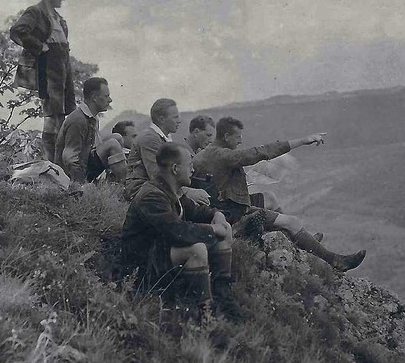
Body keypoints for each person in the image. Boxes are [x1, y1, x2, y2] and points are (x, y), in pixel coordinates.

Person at [193, 116, 366, 272]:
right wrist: (303, 141)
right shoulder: (224, 155)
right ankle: (334, 260)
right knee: (292, 221)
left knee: (269, 198)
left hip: (220, 207)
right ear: (226, 137)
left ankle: (296, 237)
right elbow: (261, 152)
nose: (240, 141)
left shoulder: (206, 154)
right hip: (232, 213)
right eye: (238, 137)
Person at [122, 143, 241, 321]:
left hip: (159, 254)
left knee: (225, 229)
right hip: (141, 264)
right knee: (196, 250)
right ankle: (204, 314)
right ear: (175, 168)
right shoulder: (152, 195)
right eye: (189, 164)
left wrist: (217, 215)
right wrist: (212, 229)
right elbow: (177, 231)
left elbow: (194, 211)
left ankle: (222, 294)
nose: (193, 169)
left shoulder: (169, 190)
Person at [11, 0, 75, 162]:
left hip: (64, 63)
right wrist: (40, 47)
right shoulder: (35, 12)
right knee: (52, 114)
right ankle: (51, 163)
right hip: (49, 64)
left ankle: (60, 164)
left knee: (65, 112)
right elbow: (17, 30)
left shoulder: (58, 18)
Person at [124, 98, 210, 204]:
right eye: (175, 117)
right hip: (139, 189)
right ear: (162, 119)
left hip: (152, 187)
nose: (179, 120)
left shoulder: (162, 138)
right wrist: (187, 192)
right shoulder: (150, 138)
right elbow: (156, 174)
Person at [54, 77, 126, 185]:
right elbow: (69, 158)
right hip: (69, 176)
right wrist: (79, 185)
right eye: (106, 96)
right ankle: (127, 187)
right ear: (94, 97)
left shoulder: (91, 117)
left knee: (117, 137)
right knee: (112, 144)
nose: (110, 100)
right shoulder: (78, 120)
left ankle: (113, 183)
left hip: (85, 163)